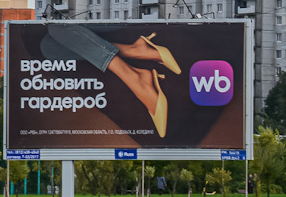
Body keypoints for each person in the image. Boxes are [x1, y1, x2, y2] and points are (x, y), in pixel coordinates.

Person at [40, 25, 181, 137]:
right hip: (86, 15)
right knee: (49, 47)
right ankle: (134, 52)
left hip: (116, 15)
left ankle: (134, 76)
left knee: (57, 26)